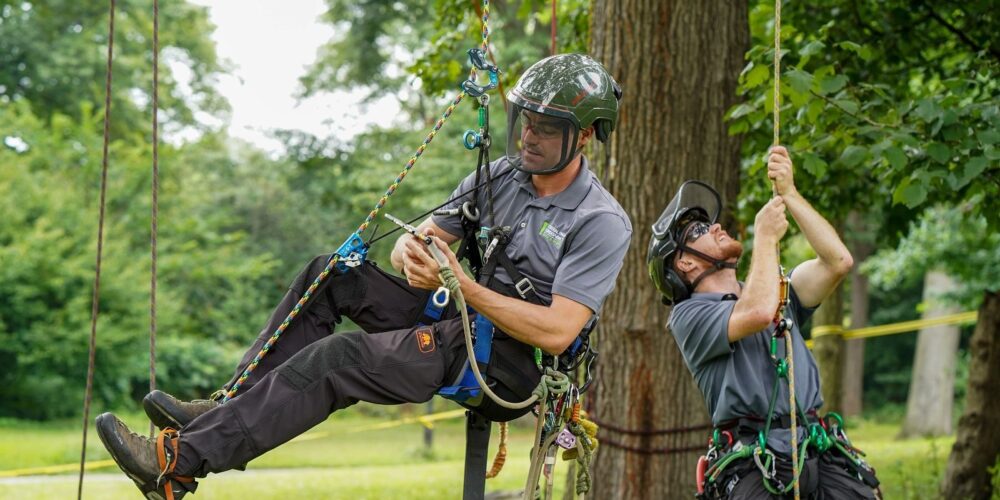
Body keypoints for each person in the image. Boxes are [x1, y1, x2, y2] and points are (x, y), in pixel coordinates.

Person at [95, 53, 632, 500]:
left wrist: (464, 287)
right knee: (333, 275)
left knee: (338, 360)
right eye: (526, 121)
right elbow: (416, 242)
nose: (529, 137)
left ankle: (177, 464)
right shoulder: (498, 177)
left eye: (547, 128)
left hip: (509, 366)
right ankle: (230, 405)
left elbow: (559, 330)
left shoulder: (598, 221)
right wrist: (414, 254)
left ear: (584, 136)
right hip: (463, 322)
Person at [646, 147, 879, 499]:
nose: (717, 227)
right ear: (685, 264)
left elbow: (838, 262)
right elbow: (754, 314)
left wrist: (790, 195)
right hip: (751, 459)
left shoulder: (779, 291)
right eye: (700, 230)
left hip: (814, 447)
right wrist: (765, 238)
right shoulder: (688, 316)